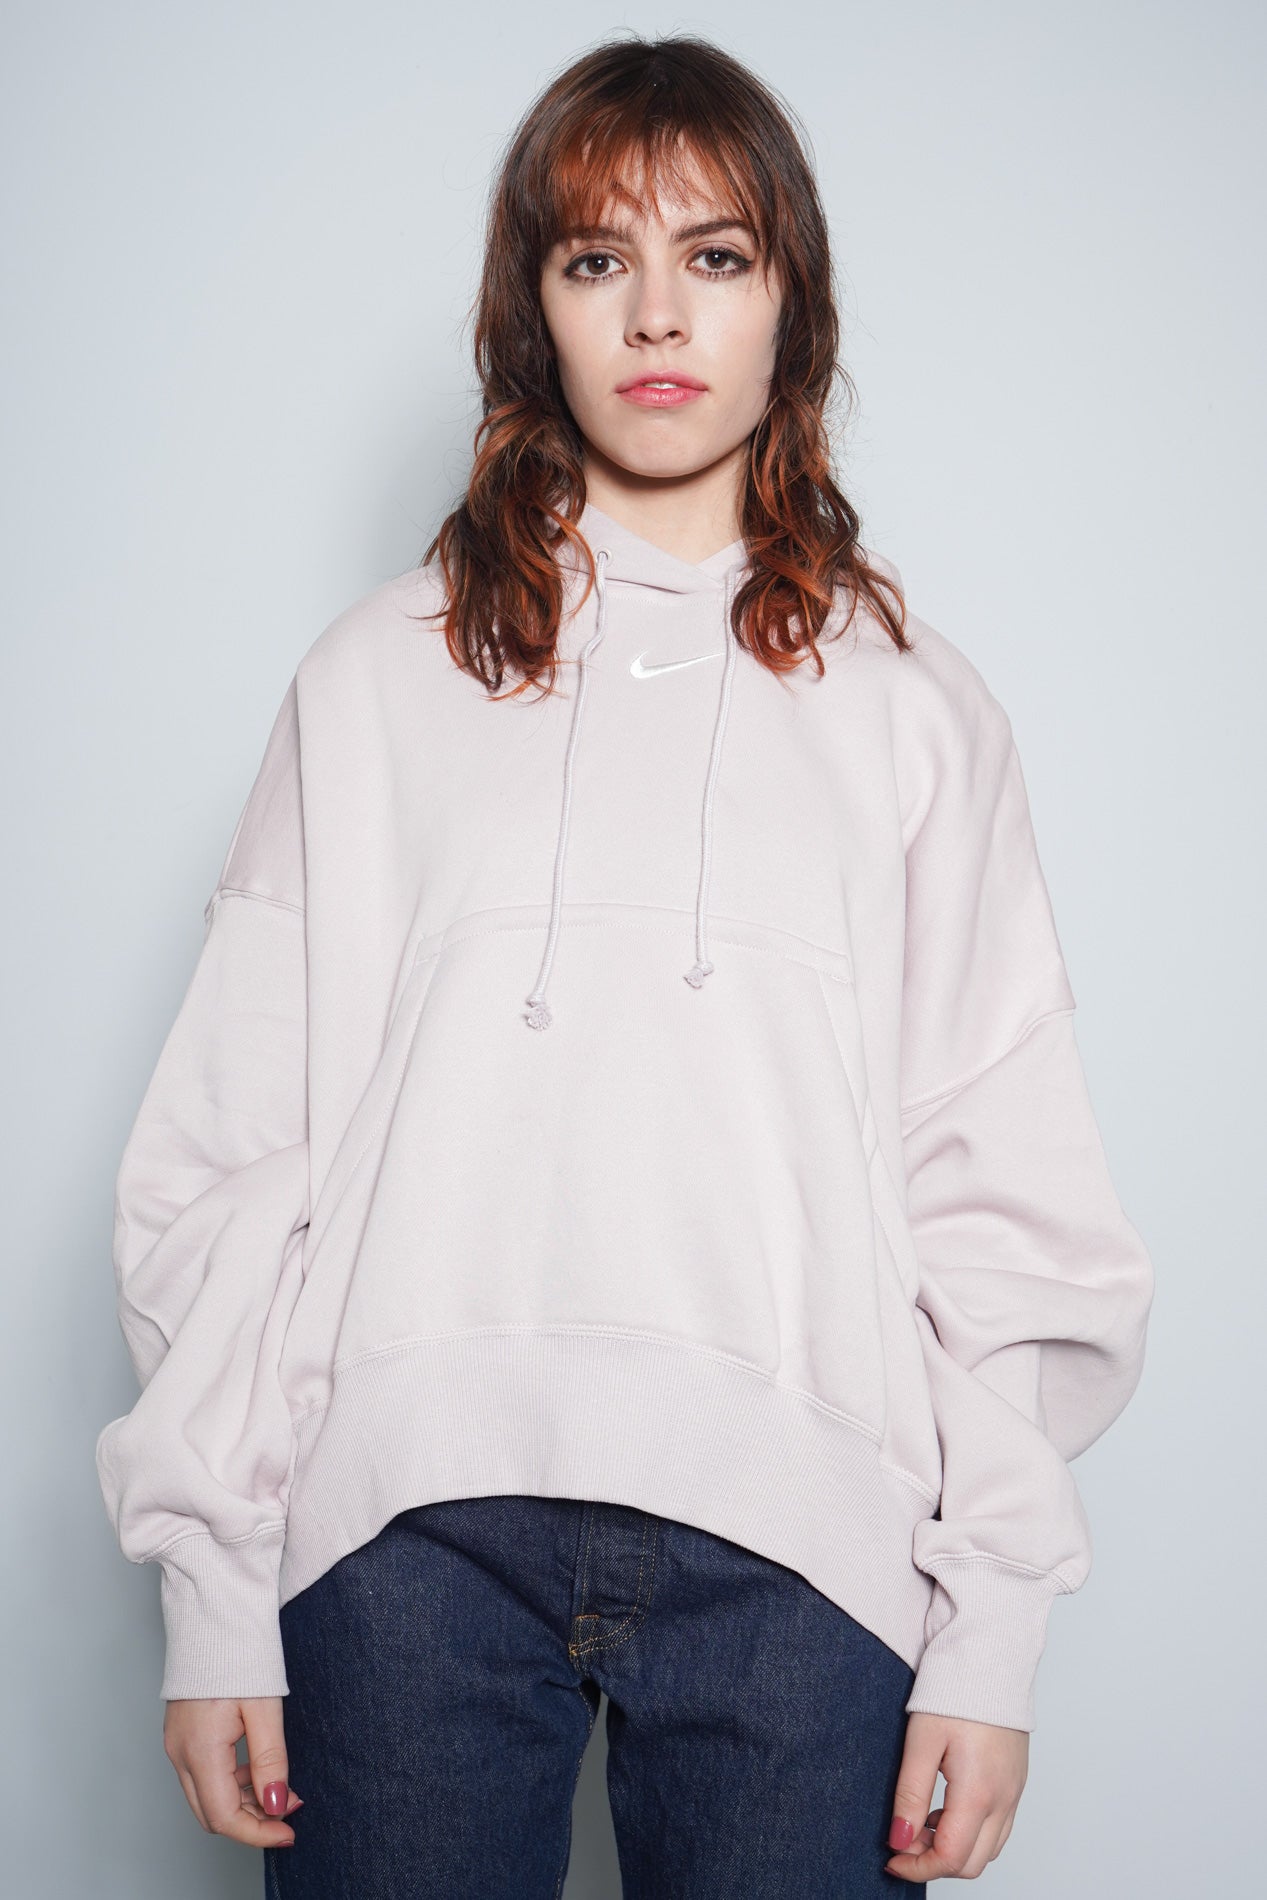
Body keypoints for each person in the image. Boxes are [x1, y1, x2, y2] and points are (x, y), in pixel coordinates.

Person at [94, 31, 1155, 1898]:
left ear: (788, 304)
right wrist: (213, 1590)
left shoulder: (918, 713)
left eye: (715, 255)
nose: (659, 313)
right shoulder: (375, 680)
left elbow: (1002, 1193)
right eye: (600, 258)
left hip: (809, 1561)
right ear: (538, 309)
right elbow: (234, 1155)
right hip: (403, 1543)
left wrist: (989, 1631)